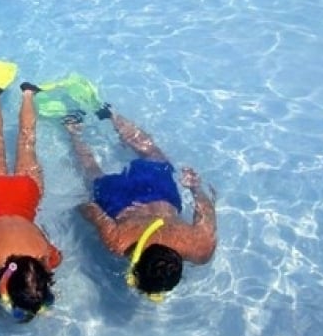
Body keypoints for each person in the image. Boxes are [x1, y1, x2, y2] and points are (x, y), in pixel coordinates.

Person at [61, 101, 216, 302]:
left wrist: (195, 188)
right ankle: (73, 130)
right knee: (92, 171)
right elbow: (92, 209)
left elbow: (206, 210)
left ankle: (109, 114)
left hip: (160, 195)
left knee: (152, 153)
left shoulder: (200, 247)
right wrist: (76, 207)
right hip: (119, 202)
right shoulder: (120, 244)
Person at [0, 80, 62, 322]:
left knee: (26, 139)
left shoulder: (47, 257)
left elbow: (56, 257)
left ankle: (27, 93)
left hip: (27, 191)